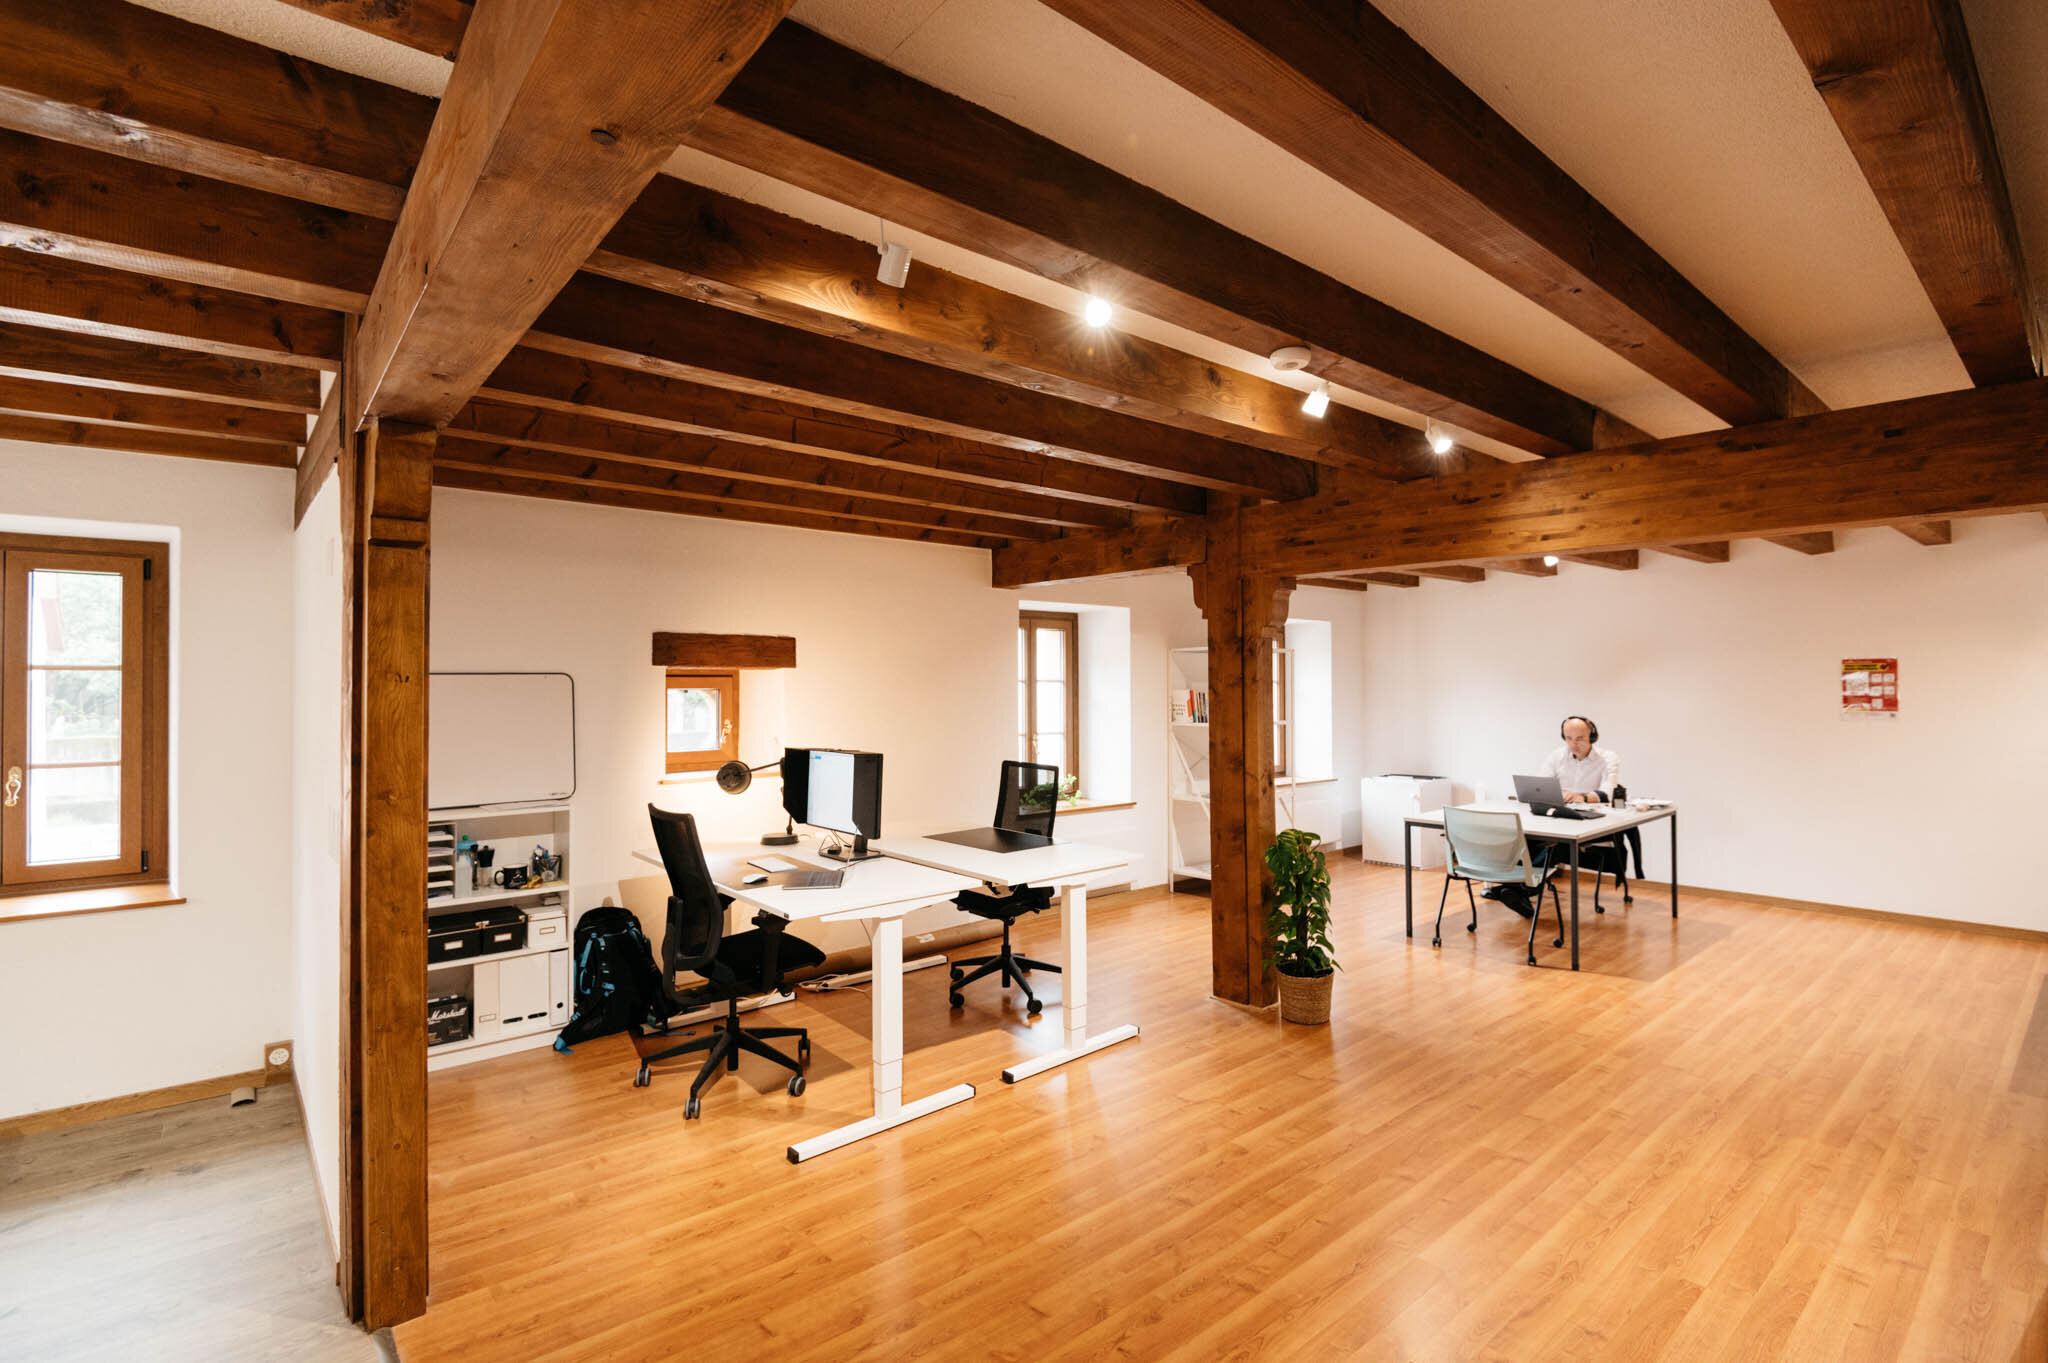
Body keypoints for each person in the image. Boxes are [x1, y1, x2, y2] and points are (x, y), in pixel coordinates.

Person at [1489, 716, 1621, 917]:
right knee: (1524, 836)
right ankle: (1517, 888)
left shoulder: (1608, 758)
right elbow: (1541, 784)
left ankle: (1517, 888)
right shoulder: (1557, 756)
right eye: (1568, 738)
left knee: (1557, 844)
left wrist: (1582, 797)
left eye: (1579, 738)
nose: (1573, 744)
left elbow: (1608, 792)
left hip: (1589, 819)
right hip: (1557, 814)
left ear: (1592, 737)